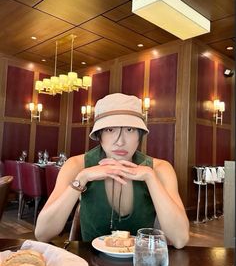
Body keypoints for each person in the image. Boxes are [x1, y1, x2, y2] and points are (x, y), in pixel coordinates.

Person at [35, 93, 189, 248]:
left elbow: (180, 239)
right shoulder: (76, 165)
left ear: (140, 135)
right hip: (89, 265)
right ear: (99, 135)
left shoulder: (160, 169)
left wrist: (151, 177)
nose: (120, 142)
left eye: (129, 129)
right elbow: (42, 233)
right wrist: (82, 177)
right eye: (110, 129)